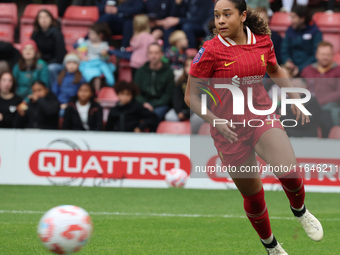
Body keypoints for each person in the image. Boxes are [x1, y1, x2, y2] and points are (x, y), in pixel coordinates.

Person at [185, 0, 323, 254]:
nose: (221, 21)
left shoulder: (262, 41)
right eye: (217, 16)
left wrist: (294, 96)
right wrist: (215, 121)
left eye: (227, 14)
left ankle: (300, 211)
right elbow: (190, 97)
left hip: (261, 116)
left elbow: (275, 69)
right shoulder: (210, 50)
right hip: (228, 130)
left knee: (289, 171)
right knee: (253, 196)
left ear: (243, 15)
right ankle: (271, 246)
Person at [301, 41, 340, 136]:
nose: (325, 57)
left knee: (326, 118)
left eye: (328, 54)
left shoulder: (338, 70)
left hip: (330, 108)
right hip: (309, 106)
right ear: (317, 55)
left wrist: (319, 101)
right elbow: (302, 89)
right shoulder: (307, 70)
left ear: (332, 55)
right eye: (323, 54)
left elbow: (338, 93)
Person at [134, 43, 174, 120]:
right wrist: (144, 103)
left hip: (161, 105)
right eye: (151, 53)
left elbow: (168, 94)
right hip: (143, 103)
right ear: (147, 55)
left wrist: (153, 105)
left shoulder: (168, 72)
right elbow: (136, 92)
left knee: (153, 115)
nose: (153, 56)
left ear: (161, 54)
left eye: (156, 53)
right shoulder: (140, 71)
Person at [281, 5, 322, 74]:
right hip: (291, 68)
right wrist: (288, 61)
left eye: (294, 17)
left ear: (302, 19)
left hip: (309, 67)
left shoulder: (315, 31)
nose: (291, 20)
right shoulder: (290, 30)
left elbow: (316, 54)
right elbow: (284, 49)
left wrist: (300, 68)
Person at [31, 9, 67, 86]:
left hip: (56, 63)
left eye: (46, 17)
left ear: (51, 19)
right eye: (41, 17)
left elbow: (60, 56)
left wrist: (45, 64)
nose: (44, 19)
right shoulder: (35, 33)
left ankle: (53, 91)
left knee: (50, 69)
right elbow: (32, 49)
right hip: (41, 62)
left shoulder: (57, 33)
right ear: (37, 20)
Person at [77, 23, 116, 90]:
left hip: (100, 63)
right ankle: (92, 90)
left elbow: (106, 59)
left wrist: (104, 55)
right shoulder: (86, 43)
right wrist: (83, 57)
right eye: (89, 33)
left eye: (92, 33)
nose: (89, 35)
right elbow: (80, 54)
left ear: (100, 35)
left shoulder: (104, 45)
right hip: (89, 63)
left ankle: (102, 90)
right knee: (92, 74)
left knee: (104, 76)